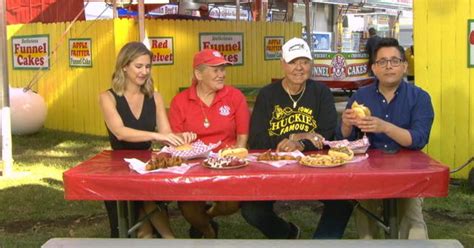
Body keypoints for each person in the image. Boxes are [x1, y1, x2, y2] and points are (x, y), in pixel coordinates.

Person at [242, 37, 354, 239]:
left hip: (315, 167)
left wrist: (300, 144)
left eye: (304, 62)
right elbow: (257, 140)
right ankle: (287, 235)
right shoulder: (267, 95)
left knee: (343, 201)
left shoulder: (321, 93)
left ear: (310, 64)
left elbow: (326, 134)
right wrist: (295, 136)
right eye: (293, 62)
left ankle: (321, 243)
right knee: (252, 210)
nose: (299, 68)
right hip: (274, 169)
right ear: (283, 64)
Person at [338, 38, 434, 239]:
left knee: (413, 227)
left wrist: (384, 127)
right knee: (366, 224)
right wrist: (346, 125)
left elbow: (418, 138)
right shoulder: (360, 97)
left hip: (408, 172)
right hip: (368, 172)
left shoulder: (420, 97)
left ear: (405, 66)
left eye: (394, 61)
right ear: (374, 68)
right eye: (382, 62)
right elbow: (345, 142)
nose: (388, 66)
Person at [99, 41, 196, 238]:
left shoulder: (155, 97)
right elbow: (120, 132)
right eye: (139, 66)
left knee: (148, 226)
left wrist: (181, 137)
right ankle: (170, 239)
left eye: (148, 66)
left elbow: (166, 134)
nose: (144, 71)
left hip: (148, 167)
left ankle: (169, 239)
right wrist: (156, 136)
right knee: (142, 230)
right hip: (120, 169)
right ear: (124, 66)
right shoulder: (107, 97)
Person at [168, 49, 250, 238]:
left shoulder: (235, 96)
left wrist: (236, 153)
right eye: (215, 70)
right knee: (188, 207)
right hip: (192, 165)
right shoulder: (180, 101)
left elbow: (242, 136)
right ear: (198, 74)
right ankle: (209, 232)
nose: (221, 74)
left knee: (231, 205)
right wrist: (183, 139)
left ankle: (208, 215)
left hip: (227, 164)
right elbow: (177, 141)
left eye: (222, 69)